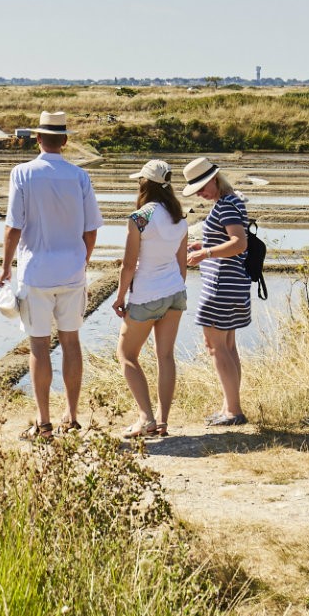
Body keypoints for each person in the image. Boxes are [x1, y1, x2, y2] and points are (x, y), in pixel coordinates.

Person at [0, 110, 101, 440]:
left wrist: (5, 266)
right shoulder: (79, 177)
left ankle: (43, 423)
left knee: (39, 347)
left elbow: (13, 227)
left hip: (36, 272)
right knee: (71, 342)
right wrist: (83, 261)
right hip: (71, 272)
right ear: (65, 141)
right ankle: (70, 416)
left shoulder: (22, 174)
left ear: (38, 139)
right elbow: (91, 229)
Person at [111, 159, 190, 438]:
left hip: (147, 295)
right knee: (165, 356)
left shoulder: (140, 218)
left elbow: (129, 265)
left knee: (126, 354)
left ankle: (146, 418)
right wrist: (175, 288)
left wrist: (120, 296)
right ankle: (163, 422)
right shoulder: (179, 217)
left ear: (144, 184)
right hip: (175, 293)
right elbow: (182, 265)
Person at [181, 156, 250, 427]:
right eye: (196, 190)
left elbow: (238, 243)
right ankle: (229, 407)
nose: (200, 193)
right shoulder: (231, 201)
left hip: (221, 285)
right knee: (227, 346)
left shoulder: (226, 205)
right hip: (233, 283)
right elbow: (228, 238)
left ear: (214, 178)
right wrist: (205, 244)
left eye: (201, 186)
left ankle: (233, 411)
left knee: (215, 346)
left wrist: (206, 253)